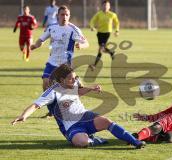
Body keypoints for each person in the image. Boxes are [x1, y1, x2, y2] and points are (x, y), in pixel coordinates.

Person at [12, 64, 145, 149]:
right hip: (71, 126)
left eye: (75, 77)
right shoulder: (52, 92)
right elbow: (35, 105)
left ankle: (135, 141)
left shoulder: (74, 83)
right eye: (71, 78)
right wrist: (23, 116)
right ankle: (94, 140)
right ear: (62, 80)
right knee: (82, 142)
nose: (75, 80)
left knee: (107, 121)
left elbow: (79, 90)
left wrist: (91, 89)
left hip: (86, 116)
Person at [31, 5, 89, 118]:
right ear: (58, 15)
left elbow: (86, 43)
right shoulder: (52, 27)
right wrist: (34, 46)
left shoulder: (74, 29)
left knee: (69, 89)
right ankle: (51, 111)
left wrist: (81, 45)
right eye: (62, 14)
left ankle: (77, 84)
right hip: (52, 62)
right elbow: (41, 39)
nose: (65, 17)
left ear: (69, 16)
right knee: (46, 83)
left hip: (65, 65)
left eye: (67, 15)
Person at [89, 0, 120, 71]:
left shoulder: (112, 15)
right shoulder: (99, 14)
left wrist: (117, 31)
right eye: (104, 5)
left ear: (109, 7)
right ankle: (111, 52)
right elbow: (92, 21)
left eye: (107, 5)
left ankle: (94, 65)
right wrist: (92, 27)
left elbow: (117, 23)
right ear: (102, 6)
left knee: (101, 49)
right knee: (102, 48)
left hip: (107, 33)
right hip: (99, 33)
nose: (105, 7)